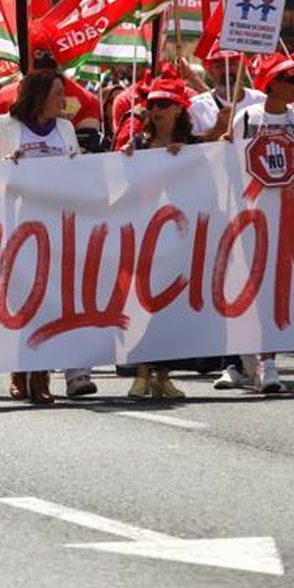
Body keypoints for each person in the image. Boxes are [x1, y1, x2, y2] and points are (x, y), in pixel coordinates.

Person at [217, 54, 294, 395]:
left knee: (279, 292)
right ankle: (260, 363)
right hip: (252, 218)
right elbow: (228, 161)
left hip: (293, 219)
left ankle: (265, 362)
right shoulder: (246, 118)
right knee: (256, 291)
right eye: (292, 80)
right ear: (272, 84)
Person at [0, 68, 83, 405]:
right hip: (17, 227)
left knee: (49, 300)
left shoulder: (66, 128)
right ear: (37, 97)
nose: (63, 101)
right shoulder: (3, 127)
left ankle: (40, 373)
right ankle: (17, 370)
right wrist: (6, 167)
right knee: (19, 300)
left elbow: (81, 173)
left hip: (56, 226)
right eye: (57, 94)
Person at [118, 78, 199, 400]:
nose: (156, 110)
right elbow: (122, 186)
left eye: (164, 104)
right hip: (144, 237)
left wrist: (190, 155)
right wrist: (124, 158)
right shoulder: (137, 145)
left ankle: (163, 375)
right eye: (151, 104)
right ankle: (140, 373)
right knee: (142, 306)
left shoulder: (193, 145)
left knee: (171, 309)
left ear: (180, 109)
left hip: (179, 239)